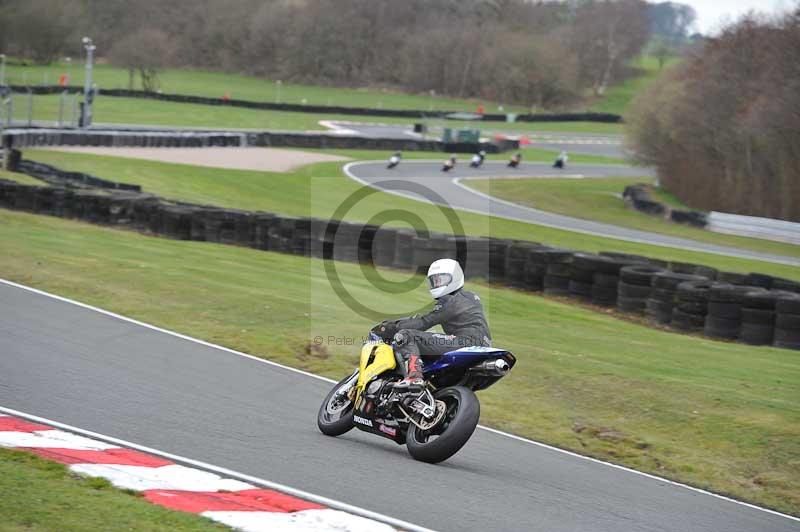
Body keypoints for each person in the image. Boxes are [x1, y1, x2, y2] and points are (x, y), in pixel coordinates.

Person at [375, 258, 492, 391]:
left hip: (464, 342)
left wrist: (391, 327)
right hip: (484, 345)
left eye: (442, 280)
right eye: (434, 281)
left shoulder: (449, 301)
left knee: (407, 336)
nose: (437, 284)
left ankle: (414, 376)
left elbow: (423, 323)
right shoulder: (471, 297)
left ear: (455, 278)